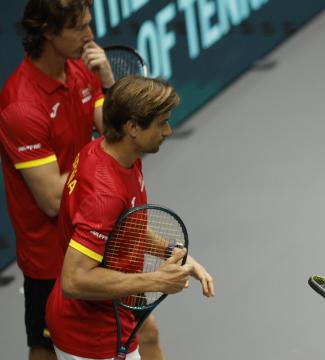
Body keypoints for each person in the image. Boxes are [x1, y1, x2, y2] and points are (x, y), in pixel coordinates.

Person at [45, 75, 215, 359]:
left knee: (151, 334)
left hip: (114, 316)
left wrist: (174, 253)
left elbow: (123, 229)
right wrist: (157, 281)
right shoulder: (104, 195)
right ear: (132, 127)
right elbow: (74, 280)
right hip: (90, 339)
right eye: (161, 123)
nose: (168, 130)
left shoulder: (111, 153)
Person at [0, 1, 113, 359]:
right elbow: (51, 199)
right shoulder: (22, 107)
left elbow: (116, 133)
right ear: (48, 33)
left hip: (93, 233)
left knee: (143, 333)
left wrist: (109, 83)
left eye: (89, 24)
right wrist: (100, 165)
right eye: (79, 27)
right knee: (44, 347)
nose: (90, 35)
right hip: (51, 258)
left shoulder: (82, 70)